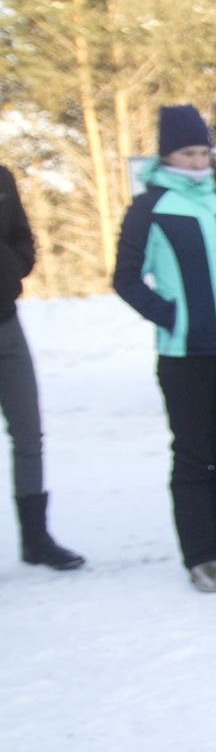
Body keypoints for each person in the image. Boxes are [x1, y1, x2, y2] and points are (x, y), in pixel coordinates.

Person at [112, 106, 216, 592]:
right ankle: (202, 555)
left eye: (204, 152)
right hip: (185, 354)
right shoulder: (150, 207)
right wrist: (172, 316)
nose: (198, 161)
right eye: (188, 152)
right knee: (192, 454)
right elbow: (125, 278)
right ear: (168, 154)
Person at [1, 164, 84, 570]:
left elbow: (21, 236)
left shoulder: (1, 178)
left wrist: (11, 269)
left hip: (5, 323)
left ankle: (36, 539)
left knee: (28, 432)